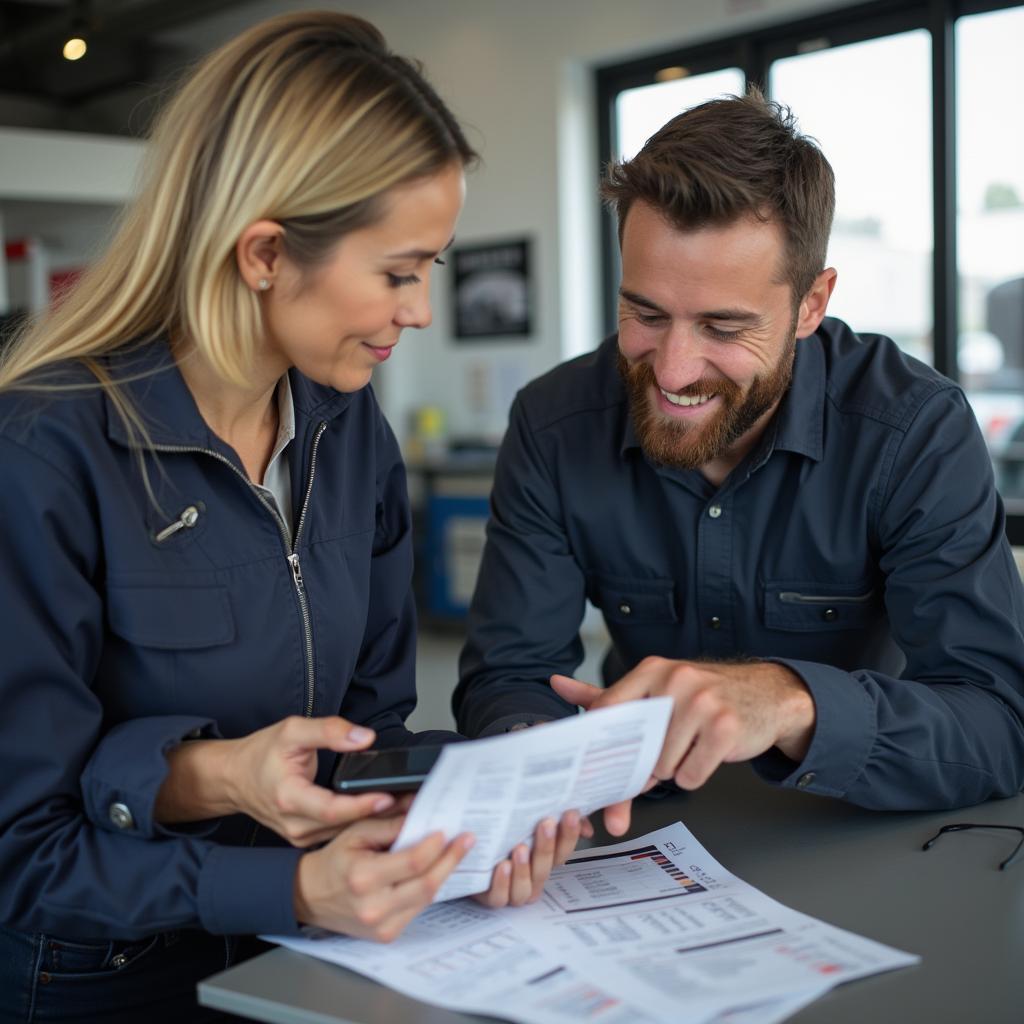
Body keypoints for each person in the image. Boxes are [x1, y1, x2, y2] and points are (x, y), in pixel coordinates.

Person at [0, 13, 581, 1023]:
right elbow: (20, 851)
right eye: (397, 272)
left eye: (429, 272)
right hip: (104, 979)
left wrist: (458, 828)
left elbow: (370, 736)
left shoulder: (349, 430)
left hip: (312, 947)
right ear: (266, 251)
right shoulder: (43, 451)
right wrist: (288, 887)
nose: (418, 313)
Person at [453, 91, 1024, 831]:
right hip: (633, 823)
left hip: (851, 818)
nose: (673, 370)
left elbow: (997, 723)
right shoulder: (554, 424)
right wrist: (530, 768)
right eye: (645, 314)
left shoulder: (913, 430)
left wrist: (790, 701)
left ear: (812, 304)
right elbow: (511, 676)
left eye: (724, 326)